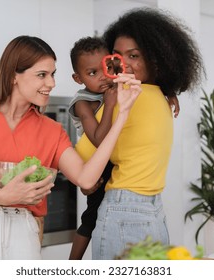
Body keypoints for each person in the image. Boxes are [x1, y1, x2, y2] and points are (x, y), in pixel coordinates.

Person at [0, 35, 141, 260]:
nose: (51, 83)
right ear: (14, 75)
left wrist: (123, 115)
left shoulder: (51, 130)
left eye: (52, 74)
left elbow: (86, 178)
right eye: (42, 75)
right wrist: (3, 196)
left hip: (22, 236)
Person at [73, 8, 205, 259]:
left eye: (134, 55)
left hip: (123, 210)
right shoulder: (161, 97)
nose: (124, 64)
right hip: (153, 211)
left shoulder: (127, 99)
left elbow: (82, 155)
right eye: (117, 56)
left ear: (156, 59)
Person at [67, 36, 180, 259]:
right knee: (89, 218)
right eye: (92, 73)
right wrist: (110, 105)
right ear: (77, 78)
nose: (103, 77)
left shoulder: (120, 87)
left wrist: (170, 91)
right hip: (98, 163)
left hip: (114, 168)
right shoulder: (83, 103)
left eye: (107, 67)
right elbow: (100, 140)